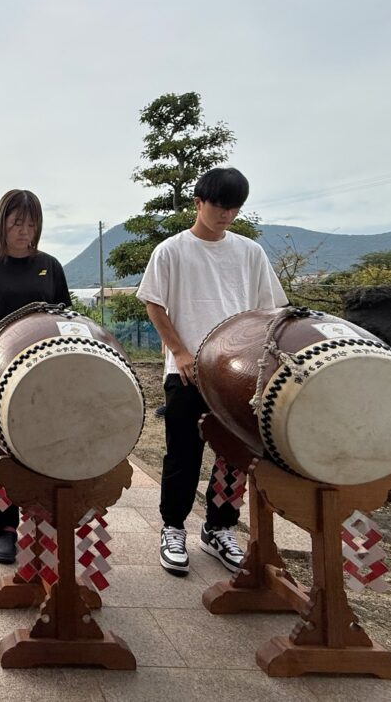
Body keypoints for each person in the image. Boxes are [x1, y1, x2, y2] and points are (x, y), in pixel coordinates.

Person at [135, 166, 288, 577]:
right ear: (198, 202)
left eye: (234, 207)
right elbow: (154, 303)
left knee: (234, 456)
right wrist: (180, 352)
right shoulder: (171, 250)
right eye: (219, 205)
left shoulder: (249, 253)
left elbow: (270, 309)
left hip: (238, 374)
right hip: (186, 371)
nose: (226, 214)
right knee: (183, 454)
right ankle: (172, 528)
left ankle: (219, 528)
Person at [0, 190, 71, 564]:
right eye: (16, 223)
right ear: (2, 224)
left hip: (44, 372)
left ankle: (43, 518)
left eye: (30, 223)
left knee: (45, 445)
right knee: (3, 450)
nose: (24, 230)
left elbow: (65, 319)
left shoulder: (50, 266)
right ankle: (6, 529)